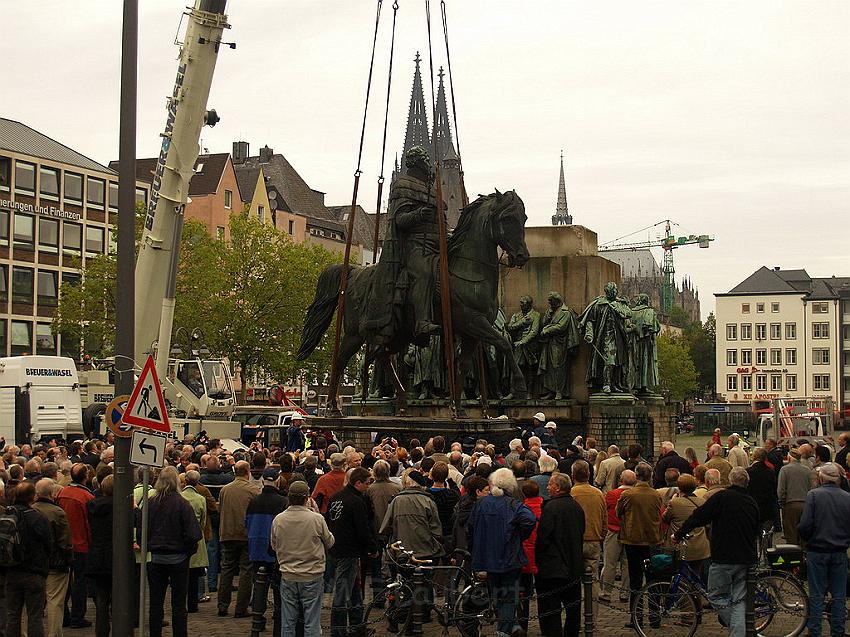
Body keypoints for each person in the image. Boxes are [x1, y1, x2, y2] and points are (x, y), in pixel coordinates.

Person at [674, 467, 760, 637]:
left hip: (724, 557)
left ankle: (739, 631)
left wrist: (679, 533)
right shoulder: (751, 502)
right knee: (739, 600)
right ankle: (741, 629)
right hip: (746, 557)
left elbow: (699, 516)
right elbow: (756, 528)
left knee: (715, 596)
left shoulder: (722, 498)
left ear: (730, 480)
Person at [467, 468, 537, 637]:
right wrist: (519, 535)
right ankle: (505, 630)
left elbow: (470, 527)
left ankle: (508, 626)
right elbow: (530, 519)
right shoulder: (513, 504)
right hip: (508, 557)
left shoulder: (481, 503)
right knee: (508, 596)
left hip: (488, 557)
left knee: (497, 594)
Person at [142, 466, 202, 637]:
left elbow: (142, 530)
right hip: (178, 558)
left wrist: (147, 544)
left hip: (156, 558)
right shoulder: (182, 504)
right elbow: (194, 533)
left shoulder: (150, 503)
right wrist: (188, 551)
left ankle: (155, 633)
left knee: (155, 602)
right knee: (178, 604)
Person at [271, 480, 334, 637]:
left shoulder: (279, 519)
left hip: (288, 574)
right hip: (312, 573)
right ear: (307, 498)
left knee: (288, 621)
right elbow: (330, 541)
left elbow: (274, 545)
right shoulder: (316, 519)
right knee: (312, 620)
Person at [797, 462, 850, 637]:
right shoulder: (847, 497)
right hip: (839, 551)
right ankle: (838, 631)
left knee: (817, 595)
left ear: (821, 478)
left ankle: (815, 631)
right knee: (839, 595)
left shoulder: (813, 495)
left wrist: (808, 539)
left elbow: (805, 525)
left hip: (817, 550)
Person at [326, 468, 377, 637]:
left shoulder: (335, 498)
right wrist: (372, 547)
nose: (369, 486)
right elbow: (363, 529)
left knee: (354, 590)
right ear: (358, 483)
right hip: (349, 550)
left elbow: (329, 523)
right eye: (367, 483)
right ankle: (338, 630)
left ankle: (357, 625)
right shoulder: (356, 501)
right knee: (342, 591)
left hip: (336, 549)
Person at [535, 472, 584, 637]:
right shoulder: (576, 506)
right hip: (573, 564)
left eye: (550, 484)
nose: (547, 487)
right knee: (573, 610)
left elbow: (543, 538)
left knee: (550, 610)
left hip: (553, 567)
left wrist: (540, 561)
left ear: (557, 487)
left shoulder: (551, 508)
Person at [615, 462, 662, 627]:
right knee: (652, 579)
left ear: (636, 476)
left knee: (636, 580)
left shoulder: (629, 494)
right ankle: (655, 617)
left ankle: (636, 618)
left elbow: (617, 512)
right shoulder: (656, 495)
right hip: (652, 539)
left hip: (633, 540)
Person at [5, 480, 52, 637]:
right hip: (34, 571)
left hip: (11, 570)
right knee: (35, 616)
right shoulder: (38, 518)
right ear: (32, 497)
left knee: (12, 615)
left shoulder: (6, 516)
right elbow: (48, 544)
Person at [217, 460, 260, 617]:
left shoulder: (225, 490)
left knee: (227, 569)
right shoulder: (253, 490)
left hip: (227, 533)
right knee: (246, 571)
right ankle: (241, 608)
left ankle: (222, 605)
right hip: (245, 534)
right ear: (247, 472)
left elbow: (220, 509)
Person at [32, 478, 72, 637]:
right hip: (55, 563)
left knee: (34, 603)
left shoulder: (31, 510)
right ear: (52, 493)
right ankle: (54, 634)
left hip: (34, 563)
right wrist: (68, 560)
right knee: (55, 602)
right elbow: (65, 541)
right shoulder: (58, 512)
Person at [56, 463, 95, 629]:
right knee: (79, 582)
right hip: (81, 545)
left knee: (64, 583)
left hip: (64, 544)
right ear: (86, 477)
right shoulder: (87, 497)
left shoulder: (62, 493)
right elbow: (88, 524)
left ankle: (64, 615)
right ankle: (78, 616)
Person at [380, 469, 445, 561]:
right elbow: (436, 529)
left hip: (401, 551)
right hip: (426, 551)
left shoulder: (396, 501)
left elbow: (385, 527)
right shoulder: (428, 501)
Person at [661, 475, 708, 578]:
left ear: (679, 487)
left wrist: (671, 500)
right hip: (700, 546)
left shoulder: (675, 503)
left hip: (681, 546)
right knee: (696, 575)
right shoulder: (702, 502)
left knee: (680, 576)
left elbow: (665, 518)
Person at [536, 291, 580, 400]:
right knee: (548, 368)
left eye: (550, 301)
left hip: (560, 344)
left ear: (556, 301)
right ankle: (551, 390)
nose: (549, 303)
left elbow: (561, 326)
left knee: (558, 367)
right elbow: (543, 323)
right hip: (549, 344)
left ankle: (559, 391)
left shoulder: (565, 312)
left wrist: (547, 330)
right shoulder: (551, 311)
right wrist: (548, 314)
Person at [569, 460, 606, 588]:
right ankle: (592, 607)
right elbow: (604, 518)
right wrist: (602, 535)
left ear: (573, 475)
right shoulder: (598, 494)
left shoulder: (570, 494)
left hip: (575, 541)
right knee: (592, 579)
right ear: (589, 474)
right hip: (593, 539)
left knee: (573, 579)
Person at [600, 470, 635, 603]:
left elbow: (605, 509)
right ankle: (625, 593)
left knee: (610, 563)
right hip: (630, 533)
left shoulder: (612, 494)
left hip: (613, 530)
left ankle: (606, 592)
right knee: (627, 564)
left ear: (621, 480)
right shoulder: (635, 494)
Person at [85, 475, 114, 637]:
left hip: (96, 555)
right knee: (119, 597)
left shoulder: (91, 506)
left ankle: (101, 632)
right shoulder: (121, 507)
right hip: (115, 556)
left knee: (101, 600)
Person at [180, 471, 209, 615]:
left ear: (184, 481)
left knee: (181, 574)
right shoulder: (200, 499)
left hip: (180, 539)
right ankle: (193, 604)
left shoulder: (179, 497)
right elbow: (203, 521)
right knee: (193, 576)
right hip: (196, 539)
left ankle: (180, 603)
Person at [518, 481, 542, 632]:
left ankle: (523, 626)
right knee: (544, 593)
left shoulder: (521, 510)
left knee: (524, 595)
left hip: (525, 555)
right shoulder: (544, 508)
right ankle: (546, 625)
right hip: (540, 555)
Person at [777, 447, 813, 546]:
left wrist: (782, 502)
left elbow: (781, 489)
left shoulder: (784, 470)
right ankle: (804, 553)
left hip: (790, 505)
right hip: (806, 505)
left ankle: (794, 555)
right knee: (805, 532)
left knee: (791, 533)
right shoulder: (807, 470)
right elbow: (811, 487)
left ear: (789, 458)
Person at [746, 448, 778, 530]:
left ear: (754, 457)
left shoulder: (748, 471)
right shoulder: (770, 472)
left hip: (753, 505)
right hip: (767, 506)